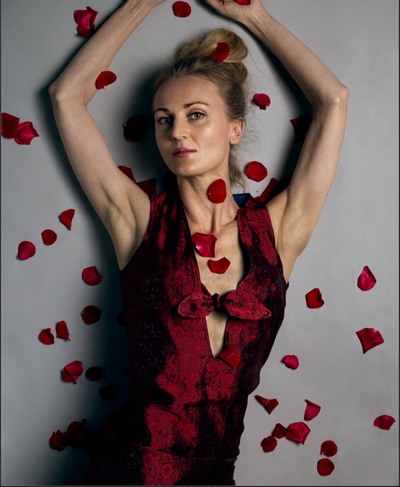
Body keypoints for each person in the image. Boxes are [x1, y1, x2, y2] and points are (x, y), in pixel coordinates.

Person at [49, 0, 348, 484]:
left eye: (195, 114)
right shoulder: (137, 220)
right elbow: (66, 96)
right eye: (164, 119)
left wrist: (253, 16)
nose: (177, 131)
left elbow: (333, 99)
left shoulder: (279, 232)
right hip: (130, 471)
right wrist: (143, 3)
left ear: (235, 129)